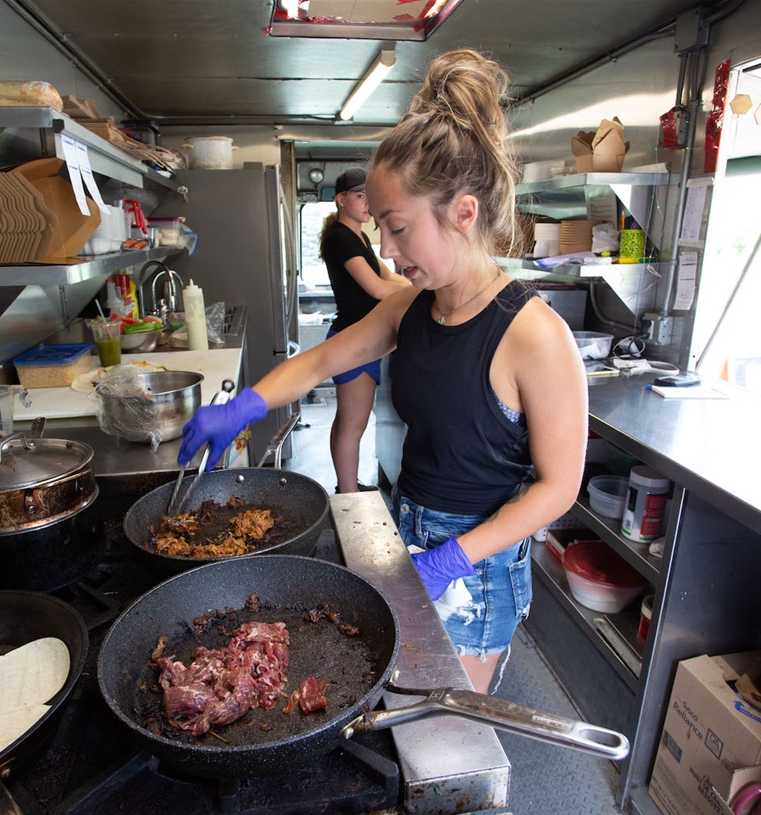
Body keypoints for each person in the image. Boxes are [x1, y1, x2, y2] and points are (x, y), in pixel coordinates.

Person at [179, 49, 587, 694]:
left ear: (464, 212)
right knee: (402, 691)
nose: (387, 250)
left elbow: (558, 489)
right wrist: (243, 406)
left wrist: (453, 558)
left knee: (449, 720)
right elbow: (321, 359)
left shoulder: (534, 334)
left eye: (396, 228)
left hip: (478, 560)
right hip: (411, 524)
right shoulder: (410, 308)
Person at [319, 167, 410, 493]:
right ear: (341, 200)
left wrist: (420, 283)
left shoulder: (358, 236)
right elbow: (375, 288)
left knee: (346, 421)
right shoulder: (341, 237)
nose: (366, 203)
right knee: (353, 425)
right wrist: (420, 292)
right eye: (360, 196)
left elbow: (389, 277)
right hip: (354, 340)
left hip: (362, 338)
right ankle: (349, 498)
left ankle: (346, 487)